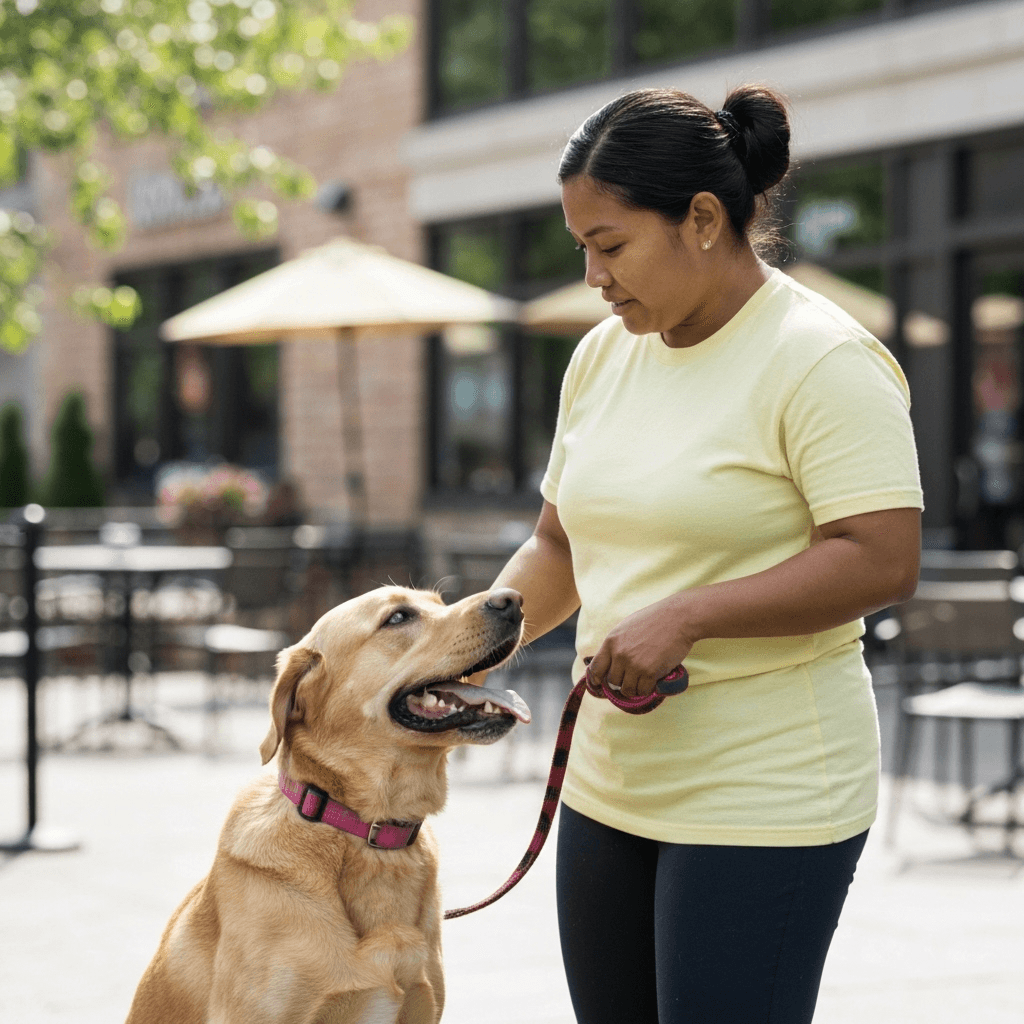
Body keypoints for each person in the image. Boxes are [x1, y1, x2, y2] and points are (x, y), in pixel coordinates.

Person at [484, 85, 923, 1023]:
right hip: (611, 788)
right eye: (583, 250)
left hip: (767, 791)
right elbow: (559, 541)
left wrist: (690, 615)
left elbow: (881, 556)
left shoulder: (822, 359)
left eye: (612, 245)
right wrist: (466, 639)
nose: (596, 276)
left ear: (704, 219)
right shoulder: (603, 356)